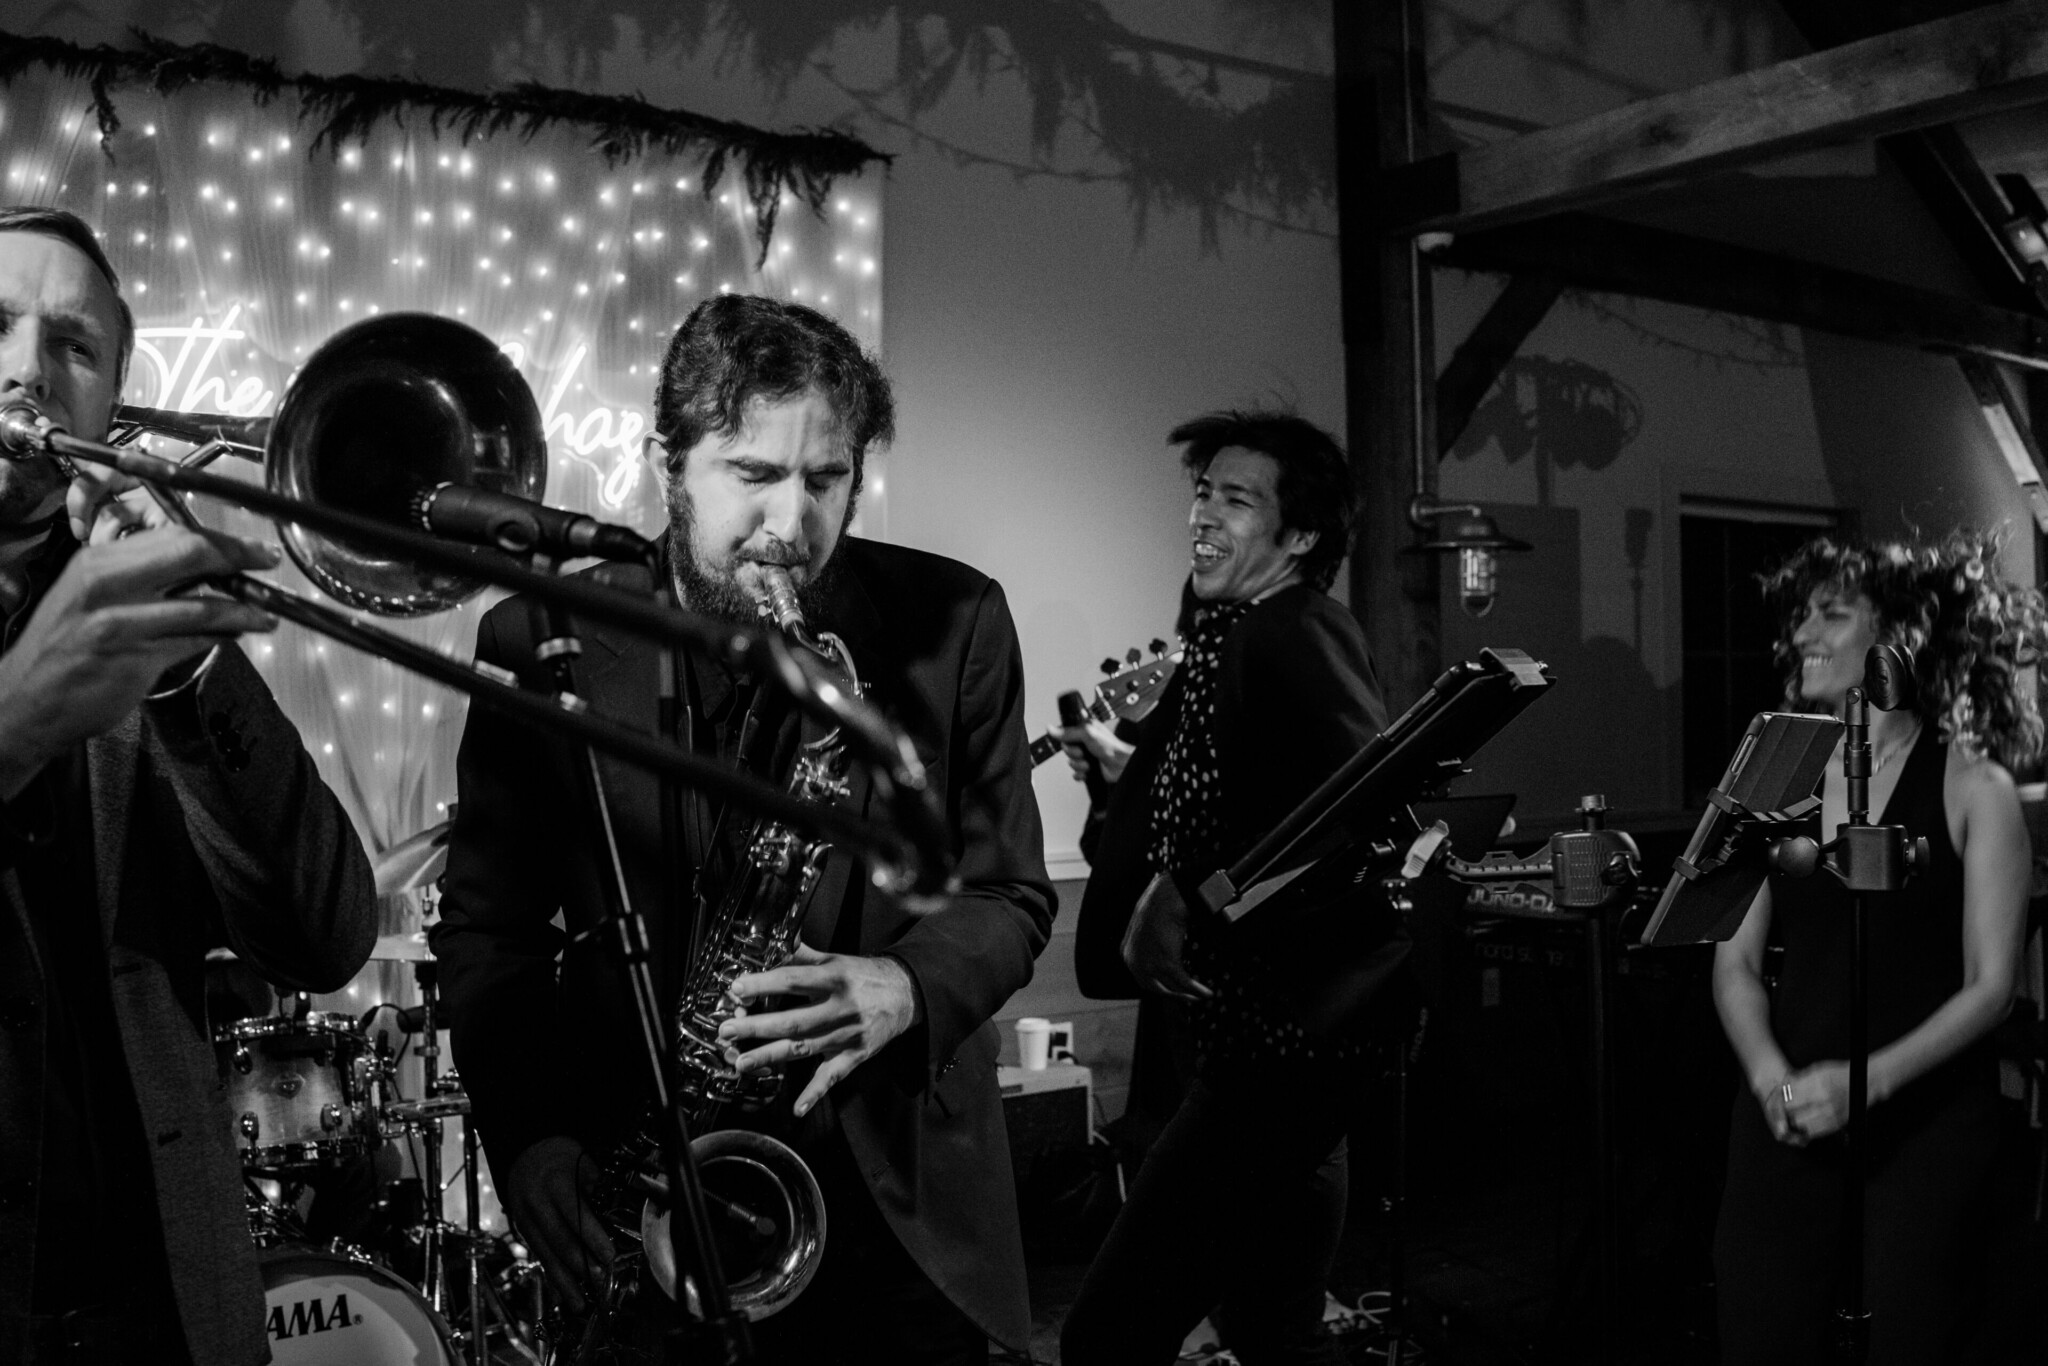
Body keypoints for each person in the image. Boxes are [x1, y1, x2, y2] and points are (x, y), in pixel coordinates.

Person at [431, 294, 1054, 1364]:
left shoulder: (954, 621)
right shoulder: (539, 637)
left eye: (826, 478)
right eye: (753, 474)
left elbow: (1011, 893)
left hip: (894, 1208)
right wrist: (530, 1141)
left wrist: (906, 985)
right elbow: (492, 932)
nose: (792, 525)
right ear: (665, 466)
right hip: (645, 1198)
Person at [0, 205, 377, 1364]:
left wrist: (193, 662)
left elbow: (325, 934)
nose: (28, 373)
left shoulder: (130, 599)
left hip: (162, 1313)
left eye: (73, 345)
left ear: (113, 397)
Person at [1060, 410, 1388, 1366]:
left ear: (1301, 535)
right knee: (1269, 1332)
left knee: (1105, 1339)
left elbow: (1358, 807)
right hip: (1257, 1064)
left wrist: (1186, 892)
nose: (1203, 515)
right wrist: (1129, 793)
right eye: (1203, 493)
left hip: (1266, 1073)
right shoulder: (1236, 635)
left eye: (1237, 500)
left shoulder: (1295, 626)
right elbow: (1234, 810)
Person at [1712, 533, 2035, 1364]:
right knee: (1760, 1329)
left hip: (1925, 1114)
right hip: (1790, 1099)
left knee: (1914, 1338)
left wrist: (1865, 1086)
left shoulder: (1974, 786)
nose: (1801, 634)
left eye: (1831, 613)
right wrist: (1771, 1081)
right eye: (1800, 615)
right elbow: (1734, 962)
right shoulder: (1772, 778)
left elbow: (1992, 987)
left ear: (1897, 635)